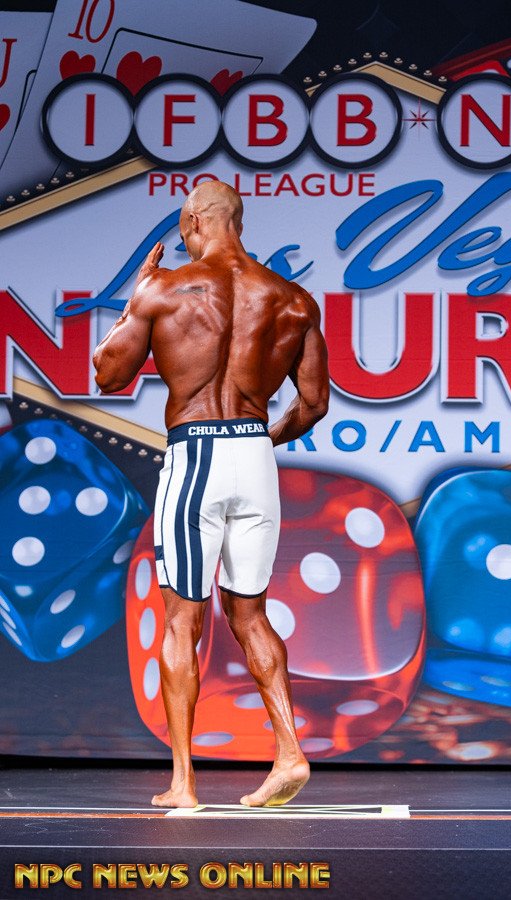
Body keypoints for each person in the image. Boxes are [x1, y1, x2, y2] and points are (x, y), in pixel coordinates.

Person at [93, 181, 329, 808]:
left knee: (181, 618)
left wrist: (135, 296)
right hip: (255, 456)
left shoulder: (165, 288)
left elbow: (109, 375)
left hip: (196, 454)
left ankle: (183, 783)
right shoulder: (294, 299)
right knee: (250, 613)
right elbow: (313, 404)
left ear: (193, 221)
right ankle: (289, 753)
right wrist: (258, 443)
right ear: (237, 222)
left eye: (183, 227)